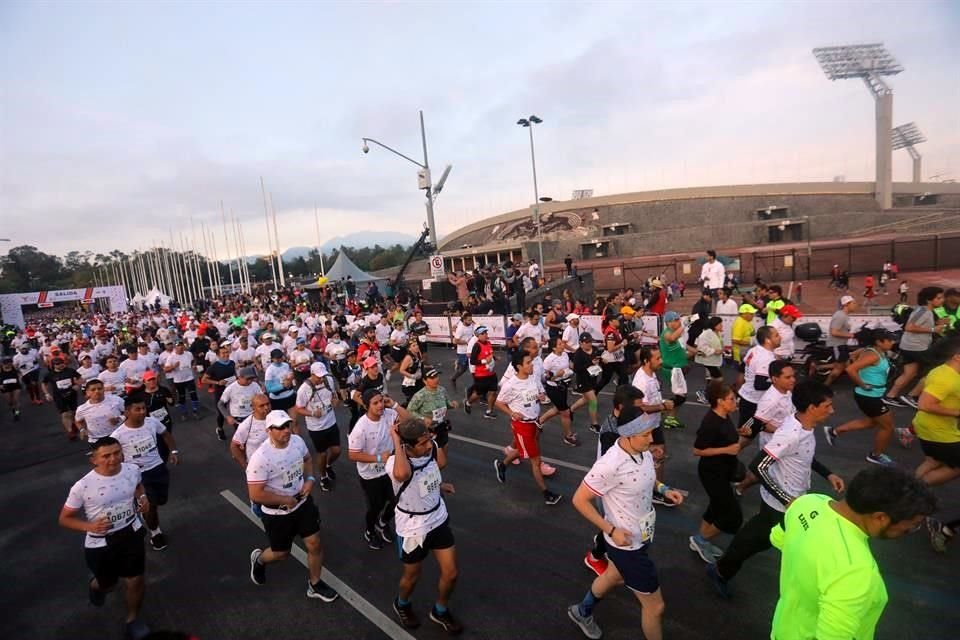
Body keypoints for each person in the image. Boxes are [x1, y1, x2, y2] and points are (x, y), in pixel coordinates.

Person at [706, 381, 845, 598]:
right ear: (811, 408)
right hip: (781, 506)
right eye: (827, 406)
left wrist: (828, 474)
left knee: (756, 539)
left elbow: (804, 456)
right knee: (764, 540)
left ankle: (721, 569)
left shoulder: (804, 426)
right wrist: (786, 498)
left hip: (791, 502)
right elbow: (758, 466)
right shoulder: (791, 434)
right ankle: (721, 570)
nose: (832, 410)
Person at [769, 465, 937, 640]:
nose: (911, 530)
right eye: (912, 525)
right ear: (880, 518)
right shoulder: (856, 569)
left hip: (784, 626)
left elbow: (778, 538)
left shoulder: (808, 502)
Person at [567, 403, 685, 640]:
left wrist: (664, 489)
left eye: (650, 432)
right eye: (645, 435)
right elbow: (579, 500)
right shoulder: (610, 465)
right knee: (655, 607)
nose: (651, 439)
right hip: (626, 544)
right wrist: (611, 530)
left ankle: (582, 611)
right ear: (628, 435)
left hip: (641, 534)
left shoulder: (641, 450)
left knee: (613, 576)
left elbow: (646, 477)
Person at [58, 437, 152, 640]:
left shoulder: (132, 470)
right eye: (106, 456)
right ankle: (96, 586)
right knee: (108, 584)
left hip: (131, 531)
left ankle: (133, 620)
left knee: (135, 579)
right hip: (101, 542)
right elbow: (64, 519)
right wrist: (90, 526)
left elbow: (138, 487)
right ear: (94, 459)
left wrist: (142, 498)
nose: (113, 459)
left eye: (117, 453)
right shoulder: (82, 486)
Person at [247, 410, 339, 603]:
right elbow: (255, 494)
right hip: (278, 514)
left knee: (314, 543)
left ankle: (314, 585)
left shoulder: (297, 441)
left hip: (303, 504)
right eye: (280, 427)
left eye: (287, 425)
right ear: (269, 430)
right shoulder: (261, 458)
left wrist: (310, 479)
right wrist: (284, 500)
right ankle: (260, 560)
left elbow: (307, 459)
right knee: (281, 553)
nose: (286, 430)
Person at [387, 418, 462, 633]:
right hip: (413, 528)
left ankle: (440, 610)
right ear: (406, 446)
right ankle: (401, 603)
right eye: (422, 443)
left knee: (451, 573)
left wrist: (439, 486)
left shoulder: (430, 449)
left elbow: (440, 465)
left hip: (437, 518)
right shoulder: (396, 463)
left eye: (429, 440)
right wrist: (395, 440)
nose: (428, 445)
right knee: (412, 576)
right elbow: (403, 476)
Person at [493, 350, 563, 505]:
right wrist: (511, 413)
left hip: (535, 422)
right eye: (528, 363)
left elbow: (541, 391)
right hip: (522, 426)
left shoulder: (533, 378)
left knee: (522, 448)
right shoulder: (510, 384)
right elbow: (498, 402)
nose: (531, 365)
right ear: (519, 366)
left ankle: (502, 464)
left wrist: (542, 396)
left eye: (531, 362)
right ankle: (546, 494)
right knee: (535, 460)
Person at [910, 337, 960, 552]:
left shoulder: (942, 371)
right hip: (939, 433)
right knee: (955, 467)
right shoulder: (946, 378)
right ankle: (916, 492)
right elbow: (925, 403)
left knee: (933, 460)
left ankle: (909, 491)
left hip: (928, 429)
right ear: (957, 357)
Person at [111, 396, 179, 551]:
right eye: (138, 409)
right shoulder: (118, 435)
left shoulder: (152, 422)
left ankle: (148, 513)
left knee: (161, 500)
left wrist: (173, 451)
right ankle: (155, 533)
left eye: (144, 408)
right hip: (139, 476)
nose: (142, 412)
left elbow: (165, 434)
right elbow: (113, 457)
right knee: (152, 506)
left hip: (158, 469)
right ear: (127, 412)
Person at [824, 328, 899, 466]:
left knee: (872, 422)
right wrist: (863, 384)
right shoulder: (873, 355)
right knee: (887, 427)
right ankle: (876, 455)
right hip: (868, 396)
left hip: (872, 395)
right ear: (879, 342)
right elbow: (850, 369)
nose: (892, 342)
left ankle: (834, 431)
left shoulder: (873, 351)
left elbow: (851, 356)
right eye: (889, 340)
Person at [348, 389, 410, 550]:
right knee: (375, 506)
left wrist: (395, 405)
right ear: (367, 406)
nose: (380, 405)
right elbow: (353, 455)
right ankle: (369, 531)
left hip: (389, 470)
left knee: (398, 500)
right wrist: (378, 458)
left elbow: (410, 420)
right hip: (370, 475)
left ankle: (382, 523)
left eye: (381, 401)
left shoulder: (389, 414)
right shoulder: (361, 427)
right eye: (375, 403)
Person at [689, 383, 742, 564]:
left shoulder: (725, 416)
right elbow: (697, 450)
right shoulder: (710, 423)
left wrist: (738, 433)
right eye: (732, 399)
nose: (735, 402)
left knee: (715, 507)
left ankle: (700, 539)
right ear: (720, 401)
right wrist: (727, 449)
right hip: (712, 473)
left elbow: (722, 436)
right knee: (731, 515)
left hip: (723, 470)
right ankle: (700, 540)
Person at [885, 287, 947, 408]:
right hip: (916, 348)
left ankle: (890, 396)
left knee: (909, 373)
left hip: (909, 346)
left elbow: (919, 325)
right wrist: (933, 329)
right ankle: (912, 396)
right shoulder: (923, 311)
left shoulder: (926, 311)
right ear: (929, 300)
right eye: (939, 298)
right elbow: (909, 327)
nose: (942, 300)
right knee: (933, 371)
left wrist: (938, 324)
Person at [295, 362, 341, 492]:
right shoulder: (304, 389)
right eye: (318, 376)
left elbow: (334, 394)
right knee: (322, 454)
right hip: (316, 428)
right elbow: (298, 408)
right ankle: (323, 476)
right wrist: (312, 413)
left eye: (323, 376)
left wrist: (335, 400)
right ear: (312, 374)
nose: (321, 379)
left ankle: (328, 465)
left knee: (337, 451)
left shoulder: (329, 380)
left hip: (331, 422)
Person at [736, 326, 781, 446]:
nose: (780, 337)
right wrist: (778, 382)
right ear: (768, 340)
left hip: (750, 399)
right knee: (745, 436)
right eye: (776, 335)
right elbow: (759, 384)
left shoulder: (755, 350)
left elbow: (743, 368)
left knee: (750, 435)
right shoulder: (766, 358)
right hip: (753, 404)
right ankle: (725, 458)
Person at [406, 367, 460, 454]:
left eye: (436, 376)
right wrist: (423, 419)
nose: (436, 379)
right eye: (432, 378)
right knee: (433, 455)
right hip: (428, 430)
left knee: (444, 451)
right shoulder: (420, 395)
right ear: (424, 381)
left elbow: (447, 403)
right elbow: (409, 411)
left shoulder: (442, 390)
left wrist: (453, 404)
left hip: (441, 426)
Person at [543, 338, 580, 446]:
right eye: (560, 344)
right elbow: (544, 378)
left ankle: (539, 422)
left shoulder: (564, 355)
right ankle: (568, 436)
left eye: (562, 343)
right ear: (554, 347)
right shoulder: (549, 360)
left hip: (563, 386)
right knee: (565, 412)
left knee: (557, 408)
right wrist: (555, 376)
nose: (563, 345)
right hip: (553, 388)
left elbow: (569, 367)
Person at [658, 310, 692, 429]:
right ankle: (658, 409)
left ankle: (670, 418)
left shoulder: (675, 334)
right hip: (673, 369)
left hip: (678, 368)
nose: (678, 322)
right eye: (676, 320)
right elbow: (672, 338)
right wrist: (684, 324)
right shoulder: (667, 333)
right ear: (669, 322)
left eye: (679, 320)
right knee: (681, 397)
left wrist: (694, 351)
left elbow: (680, 349)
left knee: (679, 395)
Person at [218, 367, 262, 440]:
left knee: (254, 437)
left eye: (252, 379)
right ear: (239, 377)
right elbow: (220, 404)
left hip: (253, 415)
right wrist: (228, 417)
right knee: (242, 438)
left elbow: (261, 398)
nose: (250, 381)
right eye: (247, 379)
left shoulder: (255, 385)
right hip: (238, 419)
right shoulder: (231, 388)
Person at [75, 379, 126, 444]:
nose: (97, 391)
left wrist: (120, 418)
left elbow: (128, 411)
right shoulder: (82, 409)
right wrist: (82, 430)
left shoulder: (116, 399)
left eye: (99, 388)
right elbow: (78, 421)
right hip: (96, 440)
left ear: (104, 389)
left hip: (117, 435)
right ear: (87, 392)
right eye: (93, 390)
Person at [43, 356, 82, 440]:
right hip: (59, 397)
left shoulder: (70, 371)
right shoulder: (50, 374)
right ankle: (70, 431)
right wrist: (47, 394)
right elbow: (44, 383)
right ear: (53, 365)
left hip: (72, 394)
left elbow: (80, 378)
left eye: (62, 363)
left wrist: (77, 385)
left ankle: (73, 424)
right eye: (58, 364)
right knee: (64, 414)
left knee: (73, 412)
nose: (61, 365)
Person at [464, 326, 498, 420]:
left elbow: (490, 354)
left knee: (493, 392)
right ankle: (468, 402)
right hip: (481, 375)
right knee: (478, 394)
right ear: (478, 335)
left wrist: (494, 358)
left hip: (491, 373)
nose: (486, 335)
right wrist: (484, 361)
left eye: (486, 333)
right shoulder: (477, 345)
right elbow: (472, 361)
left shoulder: (489, 343)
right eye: (483, 333)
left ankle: (489, 411)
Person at [571, 333, 602, 433]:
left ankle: (571, 410)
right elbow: (576, 369)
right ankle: (594, 424)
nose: (589, 344)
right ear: (581, 343)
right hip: (583, 381)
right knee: (593, 401)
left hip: (593, 378)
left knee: (585, 399)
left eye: (590, 341)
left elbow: (597, 358)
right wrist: (590, 363)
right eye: (587, 342)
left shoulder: (594, 349)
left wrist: (601, 360)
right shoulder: (578, 354)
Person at [825, 295, 858, 386]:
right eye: (854, 303)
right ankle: (825, 386)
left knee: (847, 365)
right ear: (846, 304)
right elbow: (834, 332)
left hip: (842, 344)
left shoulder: (845, 315)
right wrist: (851, 335)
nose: (856, 305)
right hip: (837, 345)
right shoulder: (840, 316)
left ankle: (858, 383)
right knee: (838, 368)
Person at [163, 341, 200, 419]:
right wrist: (173, 366)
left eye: (181, 345)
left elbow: (193, 361)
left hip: (189, 378)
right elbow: (165, 370)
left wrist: (194, 366)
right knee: (182, 397)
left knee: (193, 395)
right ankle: (184, 413)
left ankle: (195, 411)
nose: (180, 347)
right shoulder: (171, 357)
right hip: (179, 380)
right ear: (175, 347)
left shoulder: (188, 354)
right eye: (178, 346)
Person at [694, 317, 724, 404]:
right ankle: (705, 393)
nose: (722, 326)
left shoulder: (717, 333)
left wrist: (722, 350)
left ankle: (708, 394)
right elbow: (701, 346)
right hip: (708, 360)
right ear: (714, 325)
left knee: (710, 378)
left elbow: (718, 344)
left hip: (714, 360)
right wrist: (714, 351)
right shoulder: (706, 333)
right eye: (720, 324)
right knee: (719, 378)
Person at [450, 312, 474, 390]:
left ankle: (476, 385)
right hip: (462, 352)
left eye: (471, 320)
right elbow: (455, 341)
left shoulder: (471, 324)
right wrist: (467, 342)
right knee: (463, 369)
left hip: (470, 350)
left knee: (474, 366)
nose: (470, 321)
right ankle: (453, 378)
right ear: (464, 320)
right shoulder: (460, 329)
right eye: (469, 320)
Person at [1, 357, 22, 422]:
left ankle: (17, 413)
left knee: (16, 400)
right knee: (10, 402)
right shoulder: (0, 369)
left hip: (15, 386)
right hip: (5, 387)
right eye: (6, 363)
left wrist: (20, 380)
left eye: (9, 363)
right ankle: (14, 411)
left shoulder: (14, 368)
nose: (8, 364)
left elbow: (20, 374)